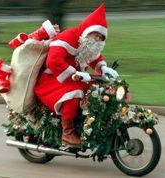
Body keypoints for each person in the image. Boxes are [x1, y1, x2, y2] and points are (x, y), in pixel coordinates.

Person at [34, 3, 119, 147]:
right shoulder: (67, 37)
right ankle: (67, 134)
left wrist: (103, 68)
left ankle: (91, 124)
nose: (98, 40)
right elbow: (53, 61)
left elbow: (93, 56)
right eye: (96, 35)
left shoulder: (86, 42)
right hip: (51, 79)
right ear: (88, 31)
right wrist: (76, 73)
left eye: (101, 38)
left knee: (99, 89)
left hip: (71, 77)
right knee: (75, 92)